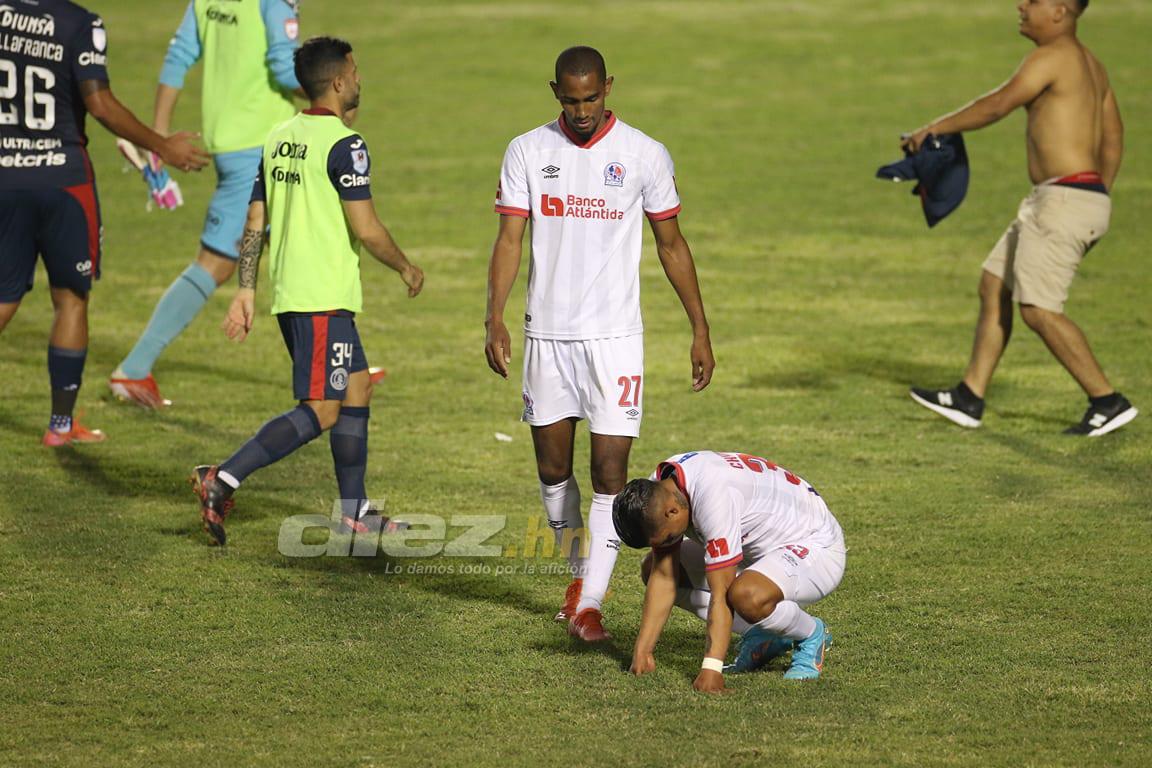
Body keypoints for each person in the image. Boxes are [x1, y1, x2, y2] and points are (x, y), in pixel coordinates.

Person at [484, 46, 715, 642]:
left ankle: (588, 604)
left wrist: (700, 327)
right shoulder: (528, 151)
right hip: (548, 338)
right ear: (554, 91)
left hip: (615, 342)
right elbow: (510, 239)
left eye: (591, 97)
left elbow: (672, 245)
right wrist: (495, 316)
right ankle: (580, 578)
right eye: (569, 99)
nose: (581, 110)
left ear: (608, 87)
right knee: (552, 468)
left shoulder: (643, 154)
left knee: (610, 472)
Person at [191, 36, 424, 545]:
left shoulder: (276, 138)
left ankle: (354, 511)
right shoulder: (346, 144)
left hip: (295, 296)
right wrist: (405, 266)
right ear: (338, 81)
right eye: (355, 72)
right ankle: (223, 477)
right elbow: (366, 228)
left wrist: (247, 290)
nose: (360, 80)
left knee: (356, 385)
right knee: (322, 407)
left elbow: (255, 220)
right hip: (322, 301)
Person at [903, 0, 1136, 437]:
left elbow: (998, 105)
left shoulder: (1053, 56)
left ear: (1061, 11)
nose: (1022, 5)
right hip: (1070, 196)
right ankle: (969, 396)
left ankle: (1107, 400)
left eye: (1034, 0)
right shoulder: (1092, 65)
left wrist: (934, 129)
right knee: (995, 283)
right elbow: (1115, 133)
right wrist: (1098, 196)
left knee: (1038, 309)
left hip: (1064, 200)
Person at [0, 0, 208, 446]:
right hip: (64, 182)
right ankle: (61, 426)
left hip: (5, 178)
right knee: (71, 298)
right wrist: (162, 146)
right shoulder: (79, 22)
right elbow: (100, 104)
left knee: (2, 299)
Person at [108, 0, 303, 408]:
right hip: (263, 147)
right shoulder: (273, 2)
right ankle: (132, 370)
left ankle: (336, 367)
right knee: (216, 262)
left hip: (232, 145)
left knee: (297, 247)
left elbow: (178, 58)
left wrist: (157, 140)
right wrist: (336, 96)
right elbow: (286, 71)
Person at [612, 451, 847, 692]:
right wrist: (643, 651)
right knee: (653, 567)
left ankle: (810, 633)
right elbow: (663, 575)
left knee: (745, 595)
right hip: (761, 550)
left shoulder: (713, 497)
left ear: (672, 512)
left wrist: (711, 669)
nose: (668, 544)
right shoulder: (661, 490)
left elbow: (721, 593)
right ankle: (765, 634)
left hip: (817, 548)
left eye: (669, 537)